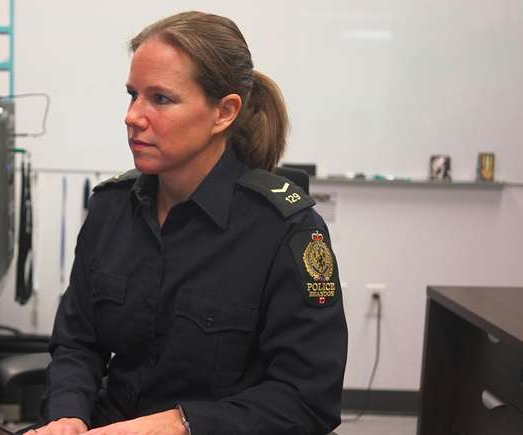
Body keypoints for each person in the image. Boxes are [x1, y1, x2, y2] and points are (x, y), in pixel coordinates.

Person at [32, 11, 347, 435]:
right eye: (132, 95)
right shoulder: (111, 209)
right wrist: (66, 415)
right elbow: (77, 343)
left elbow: (307, 399)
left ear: (224, 112)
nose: (133, 116)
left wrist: (181, 424)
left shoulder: (285, 230)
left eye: (160, 99)